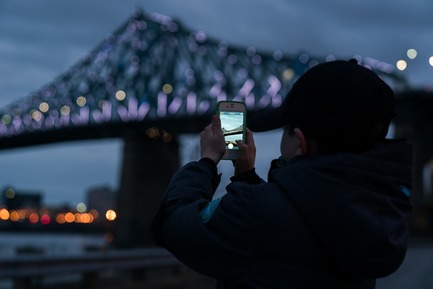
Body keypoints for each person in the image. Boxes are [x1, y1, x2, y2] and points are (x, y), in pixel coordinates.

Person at [152, 59, 413, 288]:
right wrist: (246, 178)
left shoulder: (254, 214)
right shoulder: (375, 211)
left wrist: (206, 161)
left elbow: (172, 224)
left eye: (285, 129)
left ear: (300, 142)